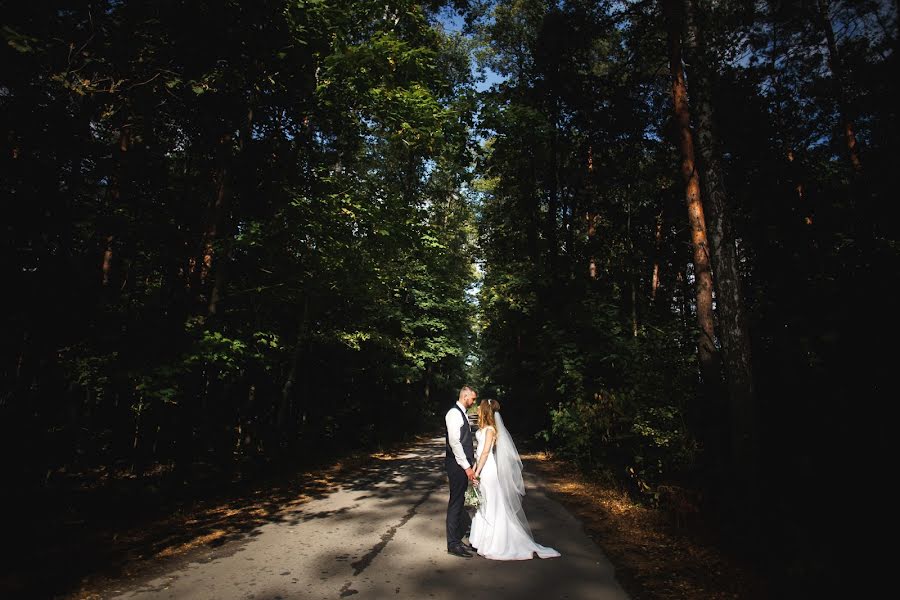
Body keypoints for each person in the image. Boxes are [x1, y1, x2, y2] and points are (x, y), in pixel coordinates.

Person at [468, 399, 560, 560]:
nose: (478, 410)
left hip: (488, 470)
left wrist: (477, 471)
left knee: (491, 503)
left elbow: (484, 453)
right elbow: (478, 453)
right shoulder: (483, 429)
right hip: (482, 467)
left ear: (485, 411)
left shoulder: (490, 430)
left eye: (480, 408)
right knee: (484, 502)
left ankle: (496, 541)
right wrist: (474, 471)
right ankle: (480, 539)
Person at [444, 385, 478, 558]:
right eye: (472, 399)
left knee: (459, 500)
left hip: (461, 464)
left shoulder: (462, 412)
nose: (473, 402)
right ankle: (453, 544)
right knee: (456, 502)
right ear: (465, 397)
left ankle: (457, 541)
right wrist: (467, 467)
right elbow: (455, 442)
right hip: (456, 465)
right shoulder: (454, 413)